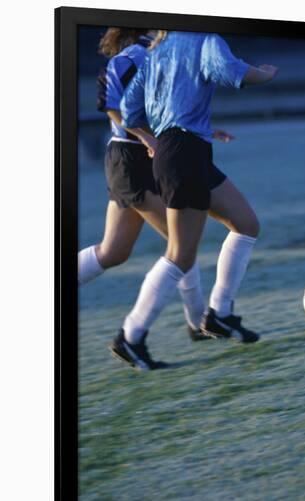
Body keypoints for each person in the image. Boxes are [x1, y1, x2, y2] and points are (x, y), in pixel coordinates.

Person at [113, 30, 277, 369]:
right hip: (183, 153)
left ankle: (220, 313)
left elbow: (129, 110)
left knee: (246, 224)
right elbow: (234, 73)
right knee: (180, 255)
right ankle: (130, 337)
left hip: (187, 151)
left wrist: (159, 135)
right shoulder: (204, 39)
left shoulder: (157, 49)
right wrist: (265, 72)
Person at [78, 28, 235, 369]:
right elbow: (111, 105)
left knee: (114, 251)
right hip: (132, 159)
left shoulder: (158, 50)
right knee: (181, 247)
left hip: (147, 156)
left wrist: (205, 131)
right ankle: (182, 328)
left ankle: (195, 325)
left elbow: (171, 106)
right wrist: (147, 138)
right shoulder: (134, 55)